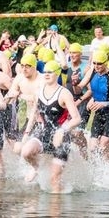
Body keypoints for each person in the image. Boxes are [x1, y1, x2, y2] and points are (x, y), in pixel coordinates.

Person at [19, 60, 84, 193]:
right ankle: (36, 168)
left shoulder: (64, 93)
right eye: (45, 72)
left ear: (57, 74)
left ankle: (55, 210)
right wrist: (26, 133)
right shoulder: (39, 92)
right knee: (25, 152)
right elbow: (34, 113)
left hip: (61, 138)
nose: (46, 74)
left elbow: (77, 119)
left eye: (50, 72)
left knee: (54, 179)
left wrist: (62, 130)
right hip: (43, 134)